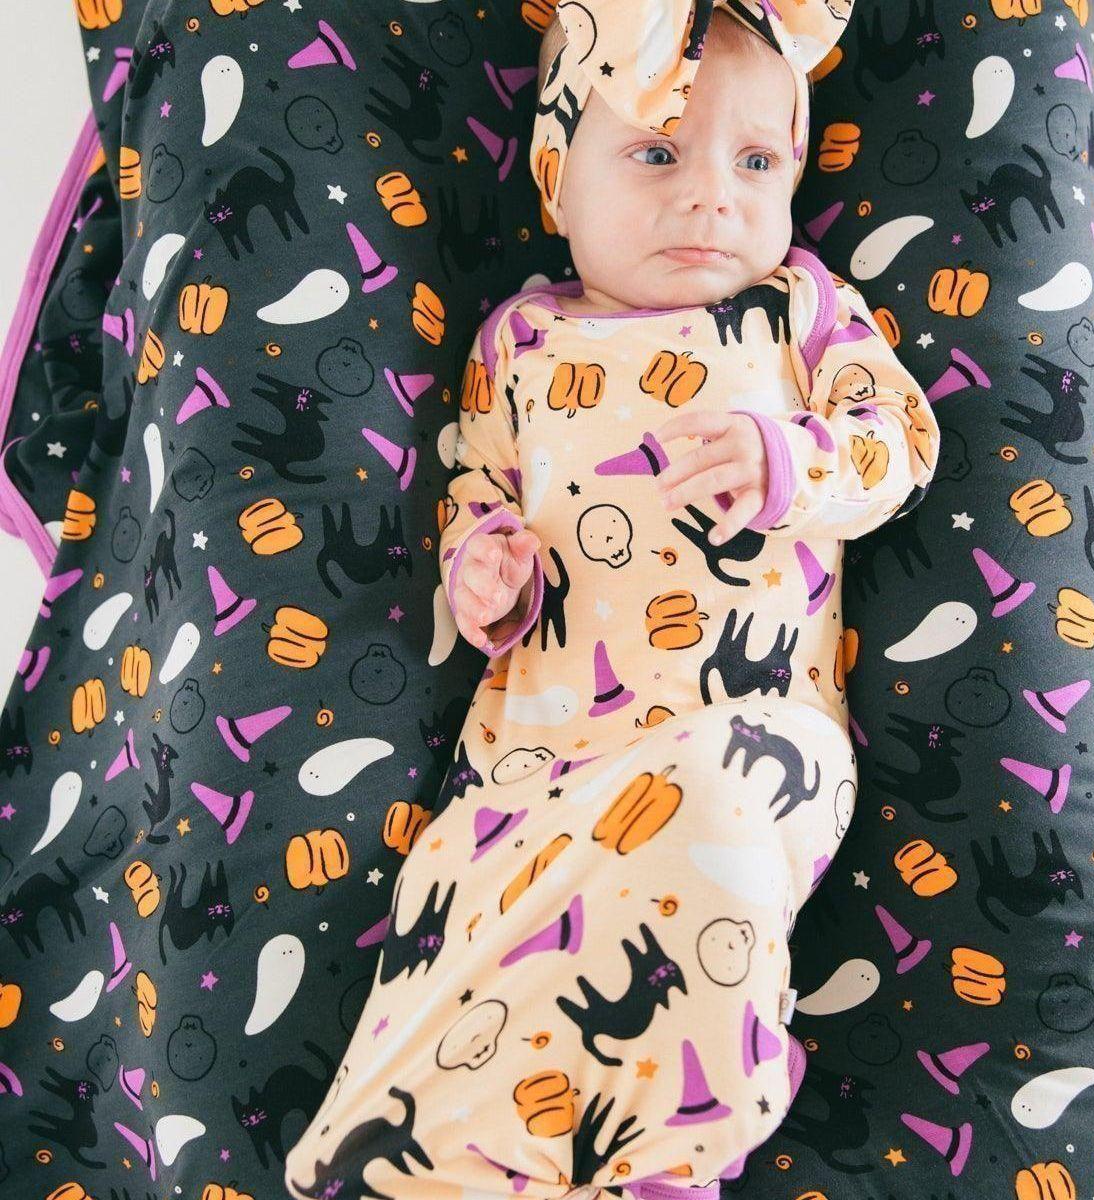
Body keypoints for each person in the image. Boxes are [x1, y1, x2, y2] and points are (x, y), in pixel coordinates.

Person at [284, 3, 938, 1198]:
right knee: (460, 911)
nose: (711, 198)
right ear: (556, 179)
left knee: (706, 853)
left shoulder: (799, 309)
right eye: (656, 152)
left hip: (749, 733)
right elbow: (476, 489)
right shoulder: (519, 342)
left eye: (757, 162)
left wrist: (793, 461)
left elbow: (899, 438)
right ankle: (425, 1164)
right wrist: (487, 569)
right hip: (543, 758)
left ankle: (666, 1159)